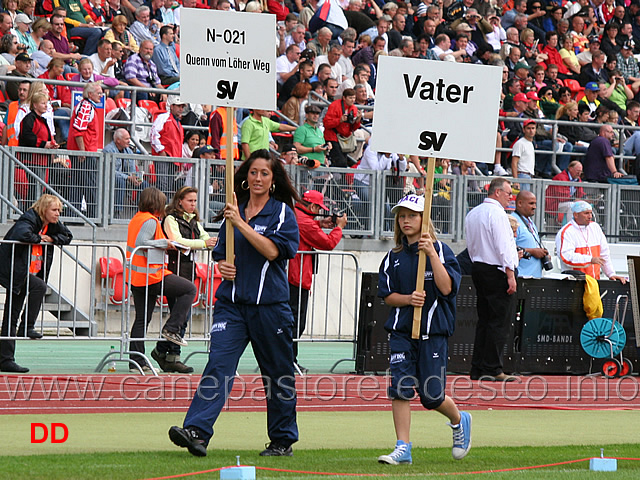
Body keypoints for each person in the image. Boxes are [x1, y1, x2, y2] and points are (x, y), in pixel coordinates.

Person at [169, 150, 300, 458]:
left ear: (272, 180)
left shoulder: (281, 213)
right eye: (253, 172)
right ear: (245, 176)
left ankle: (282, 440)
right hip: (232, 305)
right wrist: (223, 267)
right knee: (218, 364)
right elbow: (223, 255)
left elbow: (272, 252)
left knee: (277, 373)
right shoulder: (233, 212)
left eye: (264, 174)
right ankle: (197, 432)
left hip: (270, 306)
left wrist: (240, 223)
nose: (257, 178)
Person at [377, 194, 471, 466]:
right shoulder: (392, 257)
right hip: (402, 333)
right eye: (402, 215)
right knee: (401, 387)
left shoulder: (441, 250)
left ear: (423, 218)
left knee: (432, 396)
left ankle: (458, 419)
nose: (406, 220)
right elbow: (387, 295)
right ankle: (402, 446)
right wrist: (407, 299)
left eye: (412, 215)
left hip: (433, 332)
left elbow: (447, 289)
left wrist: (430, 253)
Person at [126, 186, 198, 373]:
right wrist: (164, 243)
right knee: (189, 289)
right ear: (155, 203)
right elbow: (142, 243)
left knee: (142, 319)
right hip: (152, 276)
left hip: (139, 276)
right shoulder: (150, 221)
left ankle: (137, 361)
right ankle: (171, 328)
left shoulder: (137, 218)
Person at [0, 194, 72, 373]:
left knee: (11, 314)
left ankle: (6, 359)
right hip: (14, 271)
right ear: (44, 209)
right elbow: (22, 233)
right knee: (36, 288)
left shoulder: (51, 224)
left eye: (59, 210)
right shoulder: (29, 218)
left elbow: (67, 236)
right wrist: (41, 238)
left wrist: (52, 239)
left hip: (27, 271)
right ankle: (26, 327)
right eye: (54, 210)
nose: (58, 214)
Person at [153, 186, 216, 373]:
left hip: (189, 270)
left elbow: (204, 237)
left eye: (195, 201)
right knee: (180, 315)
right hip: (173, 270)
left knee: (181, 316)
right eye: (190, 200)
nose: (193, 204)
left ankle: (163, 351)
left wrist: (209, 241)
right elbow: (178, 240)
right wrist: (204, 244)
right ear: (179, 201)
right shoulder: (171, 219)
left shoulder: (194, 220)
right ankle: (171, 355)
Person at [465, 177, 518, 382]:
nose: (509, 197)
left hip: (479, 267)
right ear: (497, 193)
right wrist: (510, 274)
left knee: (485, 320)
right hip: (496, 270)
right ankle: (493, 368)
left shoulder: (473, 213)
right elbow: (504, 245)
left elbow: (471, 244)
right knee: (499, 321)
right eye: (507, 193)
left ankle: (478, 367)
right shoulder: (497, 214)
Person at [288, 190, 346, 373]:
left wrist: (320, 223)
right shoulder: (305, 222)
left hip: (293, 276)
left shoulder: (297, 215)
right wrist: (339, 227)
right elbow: (327, 243)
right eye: (318, 208)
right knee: (296, 323)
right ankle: (289, 361)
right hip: (296, 277)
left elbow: (306, 228)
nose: (319, 211)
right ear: (312, 206)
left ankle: (288, 360)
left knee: (292, 322)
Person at [556, 200, 627, 283]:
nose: (590, 216)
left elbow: (604, 254)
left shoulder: (595, 227)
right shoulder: (566, 232)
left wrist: (611, 274)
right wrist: (590, 259)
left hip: (594, 283)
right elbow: (566, 257)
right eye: (586, 213)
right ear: (575, 215)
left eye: (590, 213)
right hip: (574, 283)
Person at [68, 81, 103, 217]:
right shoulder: (86, 107)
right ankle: (93, 216)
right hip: (84, 154)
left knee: (78, 184)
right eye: (98, 93)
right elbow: (78, 130)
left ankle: (74, 216)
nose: (101, 95)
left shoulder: (85, 106)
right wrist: (82, 150)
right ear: (90, 94)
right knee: (89, 185)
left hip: (84, 152)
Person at [103, 127, 148, 218]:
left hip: (127, 179)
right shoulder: (108, 150)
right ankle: (117, 213)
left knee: (144, 184)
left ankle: (139, 212)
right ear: (118, 140)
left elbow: (132, 170)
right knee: (120, 181)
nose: (129, 141)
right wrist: (127, 177)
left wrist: (136, 178)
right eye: (126, 139)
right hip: (110, 179)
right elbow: (110, 171)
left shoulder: (129, 151)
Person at [150, 95, 186, 197]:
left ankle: (163, 208)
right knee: (163, 185)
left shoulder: (178, 123)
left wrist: (180, 159)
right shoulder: (164, 118)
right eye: (178, 106)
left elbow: (177, 143)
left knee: (168, 186)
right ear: (171, 106)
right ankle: (159, 209)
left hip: (173, 158)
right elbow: (153, 135)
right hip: (164, 157)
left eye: (182, 106)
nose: (181, 109)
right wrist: (161, 150)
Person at [511, 191, 548, 278]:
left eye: (535, 204)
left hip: (534, 277)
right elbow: (509, 249)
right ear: (520, 203)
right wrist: (533, 251)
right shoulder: (513, 221)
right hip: (521, 277)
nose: (534, 207)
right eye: (531, 203)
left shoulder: (530, 222)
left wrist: (542, 254)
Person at [323, 88, 362, 167]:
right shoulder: (334, 105)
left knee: (343, 161)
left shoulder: (354, 108)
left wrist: (358, 120)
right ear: (344, 98)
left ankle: (336, 178)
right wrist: (339, 120)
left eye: (354, 98)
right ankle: (334, 177)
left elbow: (353, 128)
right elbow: (326, 123)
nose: (352, 100)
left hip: (344, 138)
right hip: (333, 137)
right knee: (340, 162)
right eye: (350, 98)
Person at [544, 160, 585, 225]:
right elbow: (562, 197)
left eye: (580, 172)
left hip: (564, 202)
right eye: (577, 171)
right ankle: (571, 227)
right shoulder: (560, 177)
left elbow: (581, 193)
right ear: (571, 169)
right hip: (553, 204)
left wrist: (586, 199)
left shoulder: (577, 179)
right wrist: (575, 200)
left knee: (582, 204)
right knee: (571, 205)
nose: (579, 173)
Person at [510, 118, 536, 189]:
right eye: (528, 128)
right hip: (522, 175)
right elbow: (514, 162)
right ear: (523, 130)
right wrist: (515, 181)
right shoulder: (520, 143)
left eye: (533, 128)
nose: (531, 131)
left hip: (528, 176)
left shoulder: (530, 143)